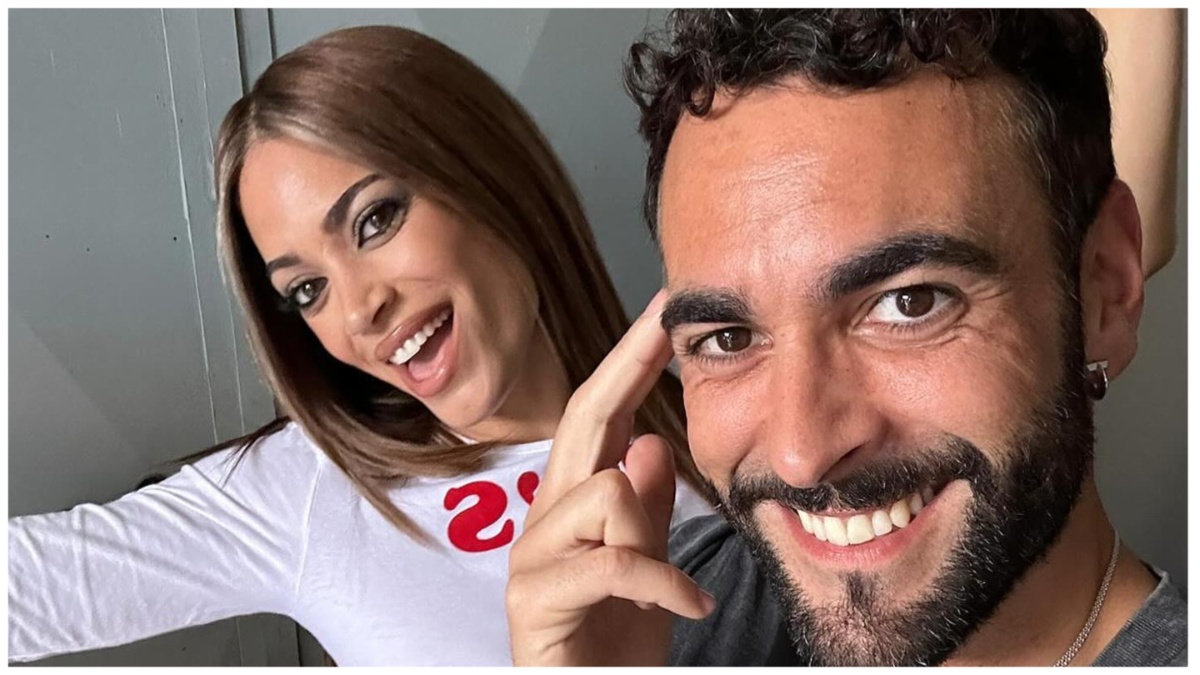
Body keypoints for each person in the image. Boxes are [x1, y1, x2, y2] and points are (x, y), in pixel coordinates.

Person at [7, 25, 712, 666]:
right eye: (307, 290)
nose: (358, 310)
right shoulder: (309, 488)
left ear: (488, 173)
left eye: (375, 221)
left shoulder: (725, 420)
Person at [506, 9, 1186, 667]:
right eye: (729, 336)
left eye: (909, 303)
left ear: (1105, 286)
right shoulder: (655, 607)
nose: (801, 456)